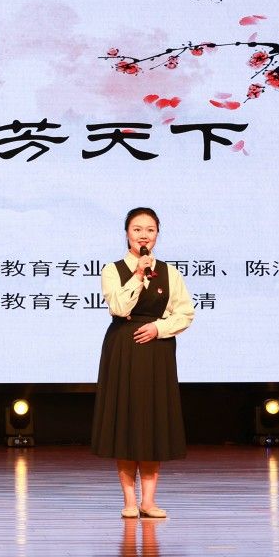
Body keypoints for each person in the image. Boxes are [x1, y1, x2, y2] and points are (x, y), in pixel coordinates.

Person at [91, 207, 194, 519]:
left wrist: (159, 328)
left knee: (152, 421)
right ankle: (129, 500)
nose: (144, 236)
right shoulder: (113, 270)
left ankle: (148, 501)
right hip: (124, 346)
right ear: (127, 234)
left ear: (157, 235)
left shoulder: (170, 273)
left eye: (150, 230)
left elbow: (185, 312)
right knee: (126, 420)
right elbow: (119, 307)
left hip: (157, 349)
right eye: (137, 230)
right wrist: (138, 274)